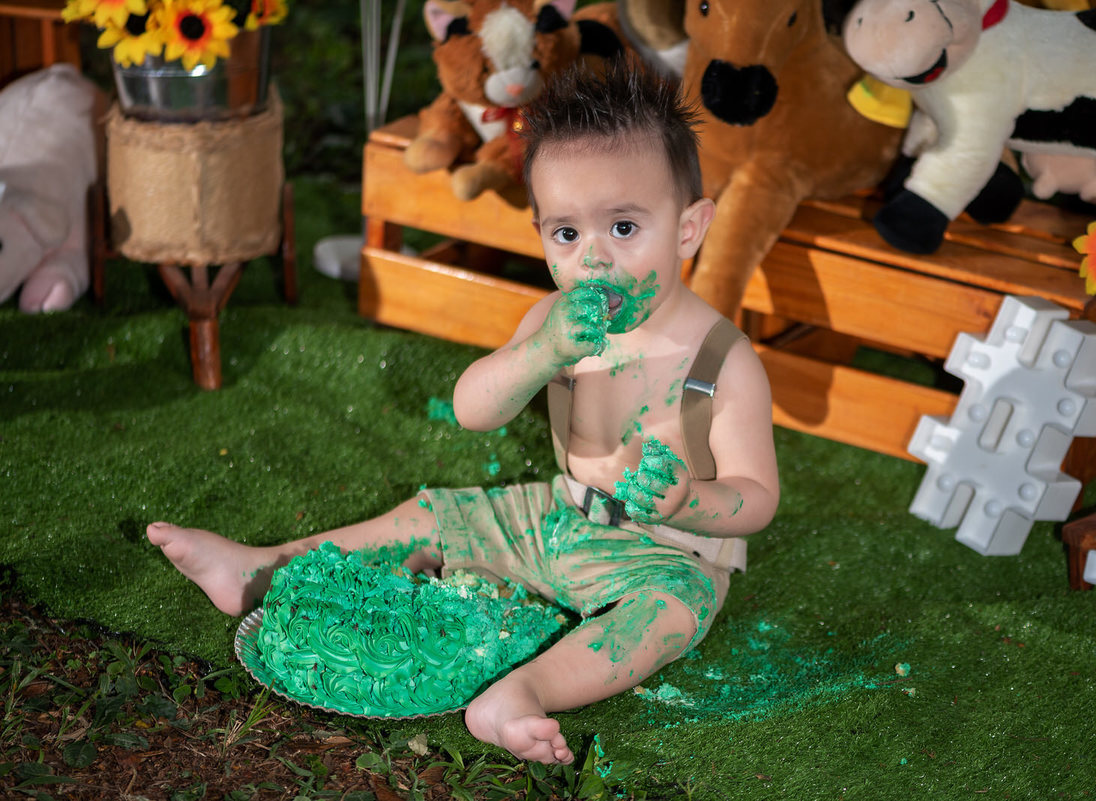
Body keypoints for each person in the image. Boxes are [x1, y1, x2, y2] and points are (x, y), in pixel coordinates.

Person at [147, 59, 779, 766]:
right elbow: (474, 408)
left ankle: (522, 692)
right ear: (540, 231)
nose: (593, 259)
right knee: (432, 512)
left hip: (663, 553)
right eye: (566, 235)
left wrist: (691, 498)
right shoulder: (554, 323)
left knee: (665, 617)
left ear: (690, 228)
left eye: (625, 226)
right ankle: (263, 568)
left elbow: (756, 499)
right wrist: (540, 353)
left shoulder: (723, 362)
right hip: (557, 515)